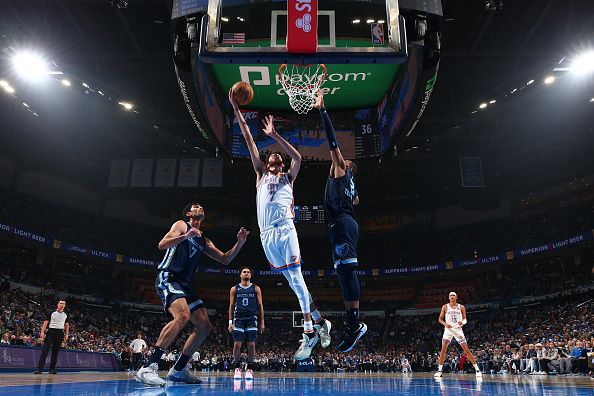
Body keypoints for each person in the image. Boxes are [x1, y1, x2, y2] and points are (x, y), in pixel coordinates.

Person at [229, 90, 331, 360]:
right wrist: (234, 107)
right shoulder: (260, 174)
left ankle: (309, 333)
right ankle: (321, 322)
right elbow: (249, 138)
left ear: (282, 163)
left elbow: (298, 158)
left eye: (277, 155)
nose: (273, 155)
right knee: (294, 283)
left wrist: (274, 135)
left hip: (286, 230)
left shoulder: (289, 176)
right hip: (266, 237)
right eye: (271, 154)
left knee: (297, 280)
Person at [134, 203, 250, 386]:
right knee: (183, 315)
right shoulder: (182, 225)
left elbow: (225, 258)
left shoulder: (204, 239)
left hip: (186, 285)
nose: (201, 208)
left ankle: (178, 370)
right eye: (197, 207)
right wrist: (186, 236)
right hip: (169, 277)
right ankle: (148, 367)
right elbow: (162, 244)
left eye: (203, 207)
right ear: (189, 213)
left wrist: (240, 243)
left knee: (205, 326)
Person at [313, 90, 367, 352]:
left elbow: (332, 142)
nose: (336, 161)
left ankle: (355, 324)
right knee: (344, 274)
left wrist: (322, 109)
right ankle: (352, 323)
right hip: (345, 223)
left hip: (343, 223)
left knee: (347, 272)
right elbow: (356, 200)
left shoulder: (340, 169)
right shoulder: (351, 185)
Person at [434, 292, 482, 378]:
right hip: (448, 330)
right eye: (450, 296)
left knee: (466, 349)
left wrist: (462, 322)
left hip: (458, 330)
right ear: (449, 298)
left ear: (456, 297)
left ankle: (477, 369)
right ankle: (439, 370)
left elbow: (465, 319)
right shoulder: (445, 306)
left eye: (453, 295)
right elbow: (440, 319)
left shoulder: (461, 307)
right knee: (443, 349)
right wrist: (445, 324)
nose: (452, 297)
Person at [228, 267, 264, 380]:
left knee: (251, 344)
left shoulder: (256, 288)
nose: (246, 273)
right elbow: (231, 306)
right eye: (244, 272)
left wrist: (262, 321)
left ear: (251, 275)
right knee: (237, 344)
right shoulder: (234, 289)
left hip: (251, 318)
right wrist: (230, 322)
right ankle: (237, 368)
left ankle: (250, 369)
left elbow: (260, 306)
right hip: (238, 318)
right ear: (240, 275)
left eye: (248, 272)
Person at [34, 300, 69, 374]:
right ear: (57, 304)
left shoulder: (66, 314)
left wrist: (66, 334)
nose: (62, 305)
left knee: (55, 352)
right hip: (51, 332)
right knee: (45, 351)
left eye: (64, 304)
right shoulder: (51, 312)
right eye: (61, 303)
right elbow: (45, 322)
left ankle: (52, 369)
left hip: (60, 333)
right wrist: (42, 332)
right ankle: (39, 369)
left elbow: (67, 325)